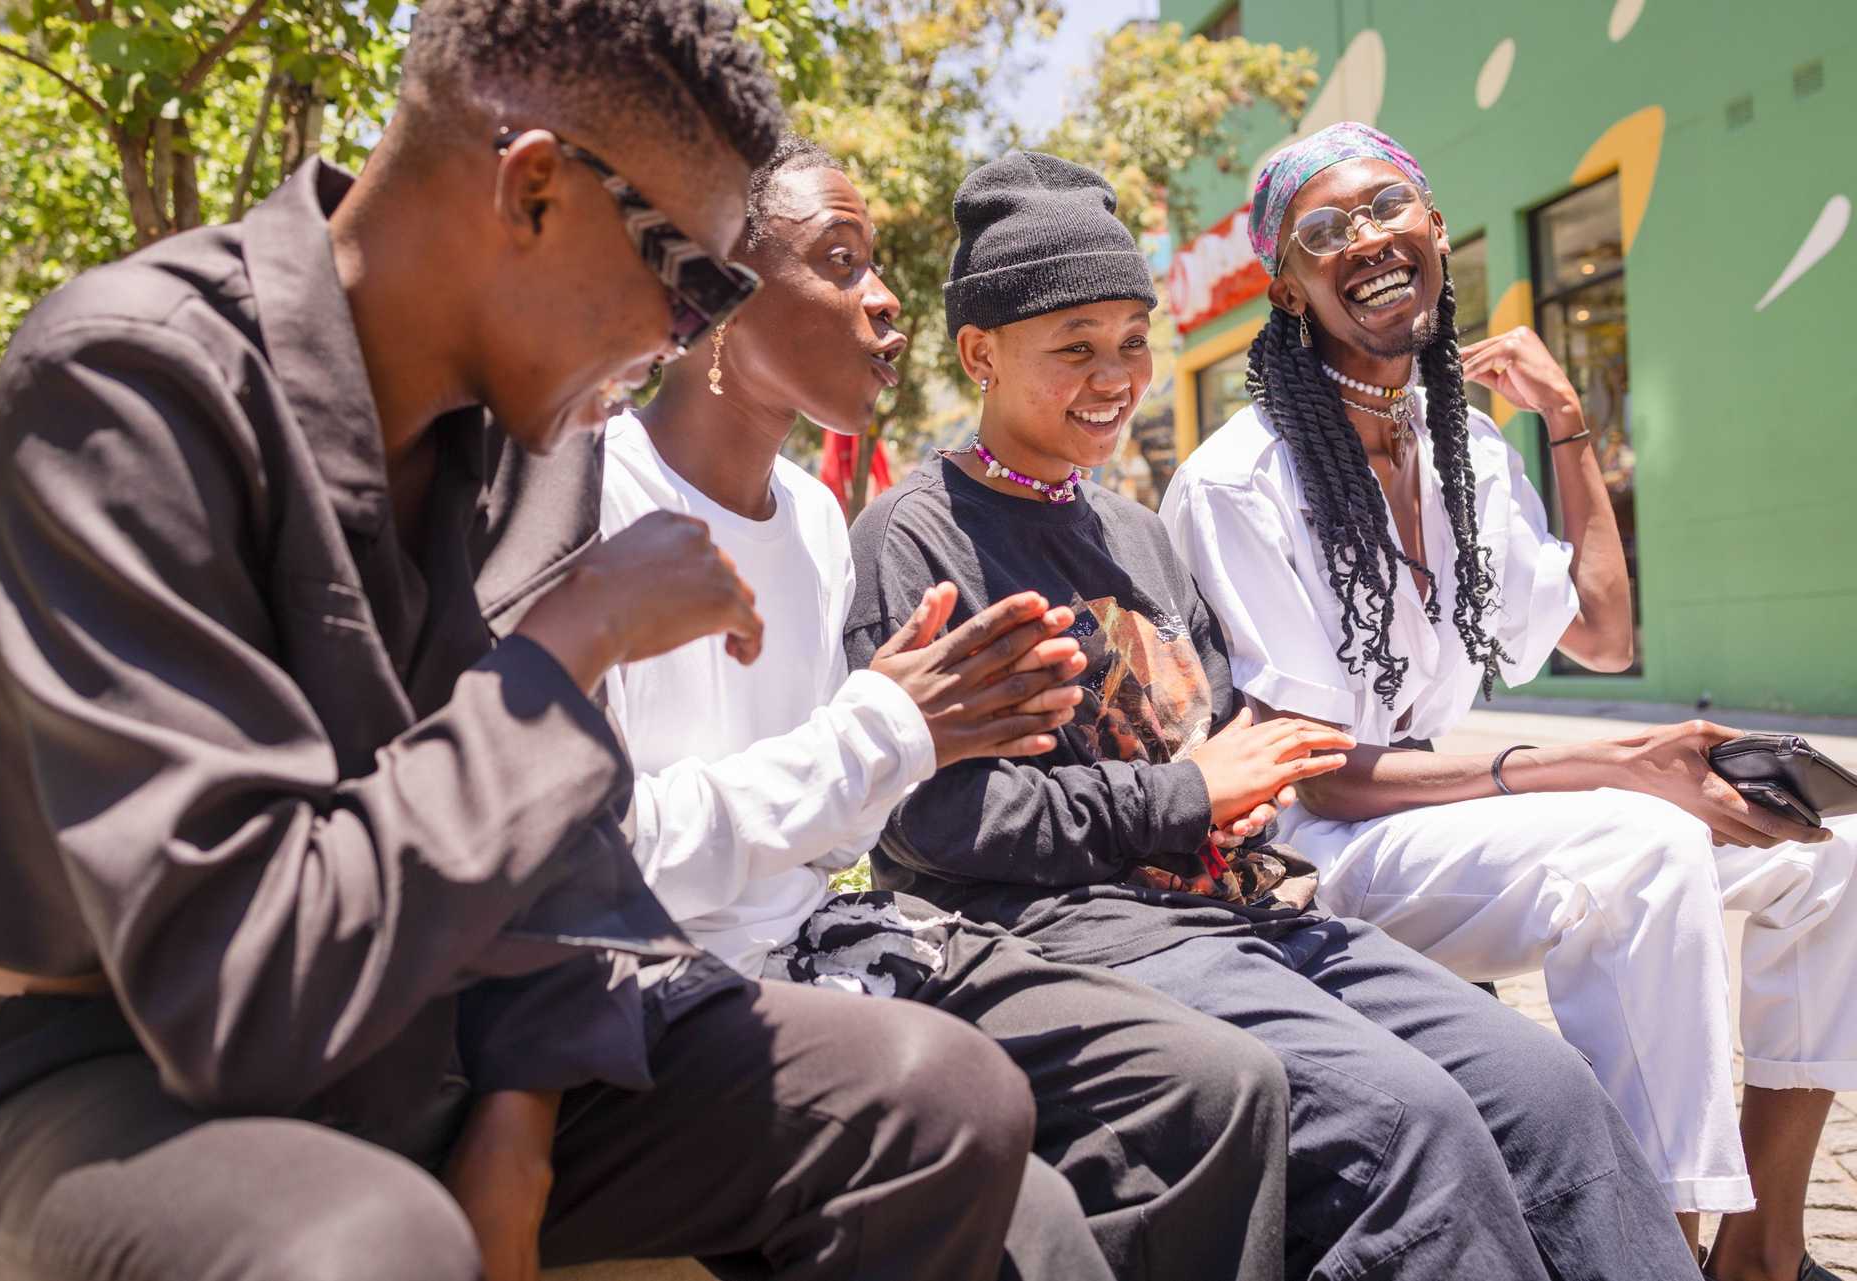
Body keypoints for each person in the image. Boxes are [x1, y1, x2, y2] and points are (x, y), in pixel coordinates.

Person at [0, 6, 1093, 1279]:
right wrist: (567, 650)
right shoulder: (131, 382)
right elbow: (236, 991)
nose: (686, 330)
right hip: (111, 1077)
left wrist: (520, 1127)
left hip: (438, 1044)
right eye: (688, 275)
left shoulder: (531, 451)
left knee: (940, 1100)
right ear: (534, 186)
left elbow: (561, 859)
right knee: (367, 1247)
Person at [846, 147, 1705, 1280]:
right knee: (1408, 1125)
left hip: (1233, 914)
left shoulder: (1135, 531)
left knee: (1545, 1090)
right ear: (979, 353)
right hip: (1055, 935)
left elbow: (1220, 749)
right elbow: (930, 824)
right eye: (1075, 349)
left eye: (1130, 343)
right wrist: (1192, 792)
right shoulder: (917, 540)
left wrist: (1235, 804)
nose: (1117, 376)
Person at [464, 134, 1294, 1281]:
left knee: (1220, 1084)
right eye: (841, 261)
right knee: (1031, 1213)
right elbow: (594, 863)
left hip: (823, 941)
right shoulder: (582, 498)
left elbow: (839, 829)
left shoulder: (809, 518)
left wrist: (930, 734)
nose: (887, 297)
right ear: (708, 291)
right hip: (661, 988)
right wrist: (883, 733)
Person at [1159, 120, 1857, 1281]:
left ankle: (1763, 1251)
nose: (1366, 241)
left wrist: (1567, 422)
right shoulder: (1240, 480)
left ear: (1435, 228)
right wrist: (1611, 768)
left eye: (1388, 209)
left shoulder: (1464, 448)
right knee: (1635, 845)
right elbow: (1320, 770)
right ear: (1287, 288)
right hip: (1324, 846)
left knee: (1826, 851)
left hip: (1450, 821)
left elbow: (1603, 633)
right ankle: (1646, 1257)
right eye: (1323, 232)